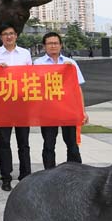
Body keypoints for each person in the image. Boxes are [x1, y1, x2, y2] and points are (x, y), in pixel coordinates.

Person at [34, 32, 89, 169]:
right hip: (48, 110)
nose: (53, 46)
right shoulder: (38, 63)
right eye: (49, 43)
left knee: (72, 143)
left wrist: (82, 111)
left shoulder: (70, 63)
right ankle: (49, 173)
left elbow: (78, 89)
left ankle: (75, 172)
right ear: (44, 46)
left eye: (56, 43)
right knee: (49, 144)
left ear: (61, 45)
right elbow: (35, 86)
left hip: (68, 109)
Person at [0, 24, 32, 192]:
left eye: (11, 33)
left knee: (23, 142)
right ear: (1, 37)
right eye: (5, 34)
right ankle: (6, 177)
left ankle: (25, 175)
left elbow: (31, 76)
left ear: (16, 36)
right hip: (3, 103)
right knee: (4, 142)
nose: (9, 36)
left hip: (22, 102)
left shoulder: (25, 53)